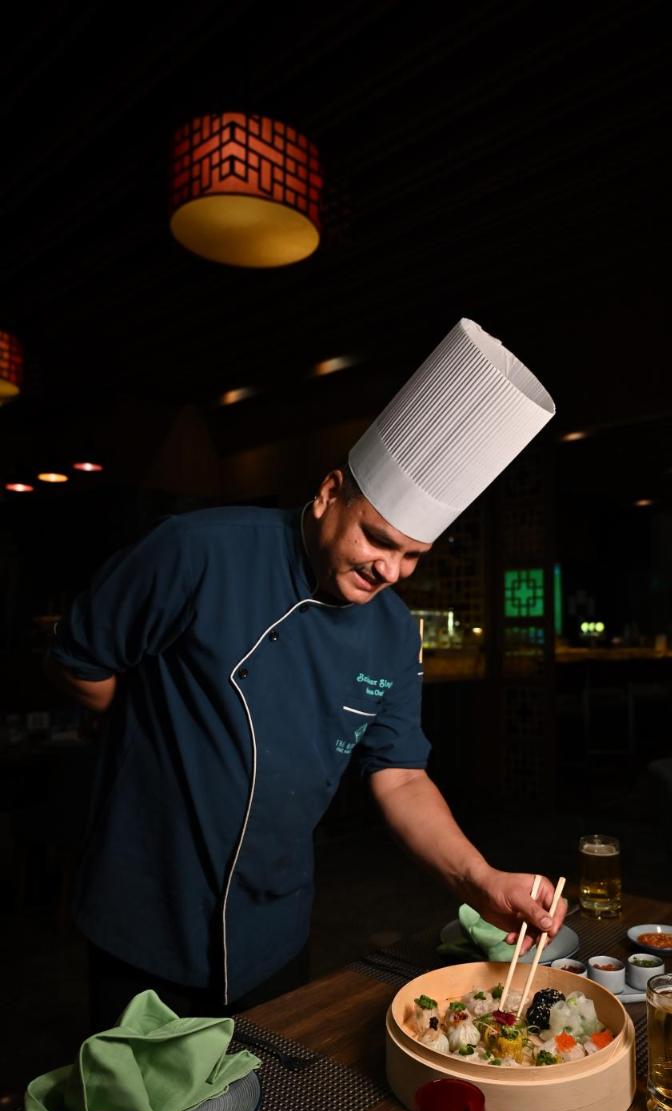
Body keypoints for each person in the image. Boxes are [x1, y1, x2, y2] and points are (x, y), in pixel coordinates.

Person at [46, 318, 562, 1027]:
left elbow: (401, 776)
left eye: (413, 556)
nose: (391, 571)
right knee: (134, 1099)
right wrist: (142, 732)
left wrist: (479, 878)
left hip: (275, 926)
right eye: (378, 539)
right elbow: (81, 662)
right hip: (145, 911)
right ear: (328, 493)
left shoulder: (392, 633)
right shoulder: (198, 551)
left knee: (271, 1093)